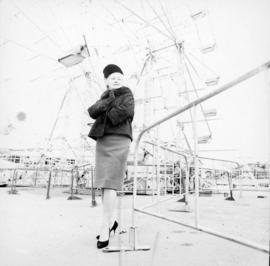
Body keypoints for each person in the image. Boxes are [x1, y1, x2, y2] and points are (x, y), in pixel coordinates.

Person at [87, 64, 135, 249]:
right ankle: (112, 221)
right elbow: (92, 111)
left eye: (119, 77)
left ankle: (105, 226)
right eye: (113, 77)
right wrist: (108, 101)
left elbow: (126, 112)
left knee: (111, 182)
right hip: (103, 140)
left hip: (120, 139)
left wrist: (105, 109)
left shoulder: (128, 94)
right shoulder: (104, 96)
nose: (116, 79)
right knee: (103, 184)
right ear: (107, 81)